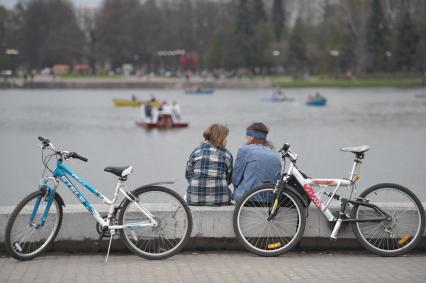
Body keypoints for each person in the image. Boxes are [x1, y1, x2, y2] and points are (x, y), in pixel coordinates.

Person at [232, 122, 281, 203]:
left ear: (251, 137)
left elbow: (235, 179)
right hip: (270, 200)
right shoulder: (275, 154)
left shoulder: (244, 150)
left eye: (246, 137)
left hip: (249, 198)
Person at [185, 124, 233, 206]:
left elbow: (188, 175)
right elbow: (229, 178)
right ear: (220, 138)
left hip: (194, 199)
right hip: (220, 199)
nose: (227, 140)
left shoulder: (195, 152)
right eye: (225, 137)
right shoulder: (226, 154)